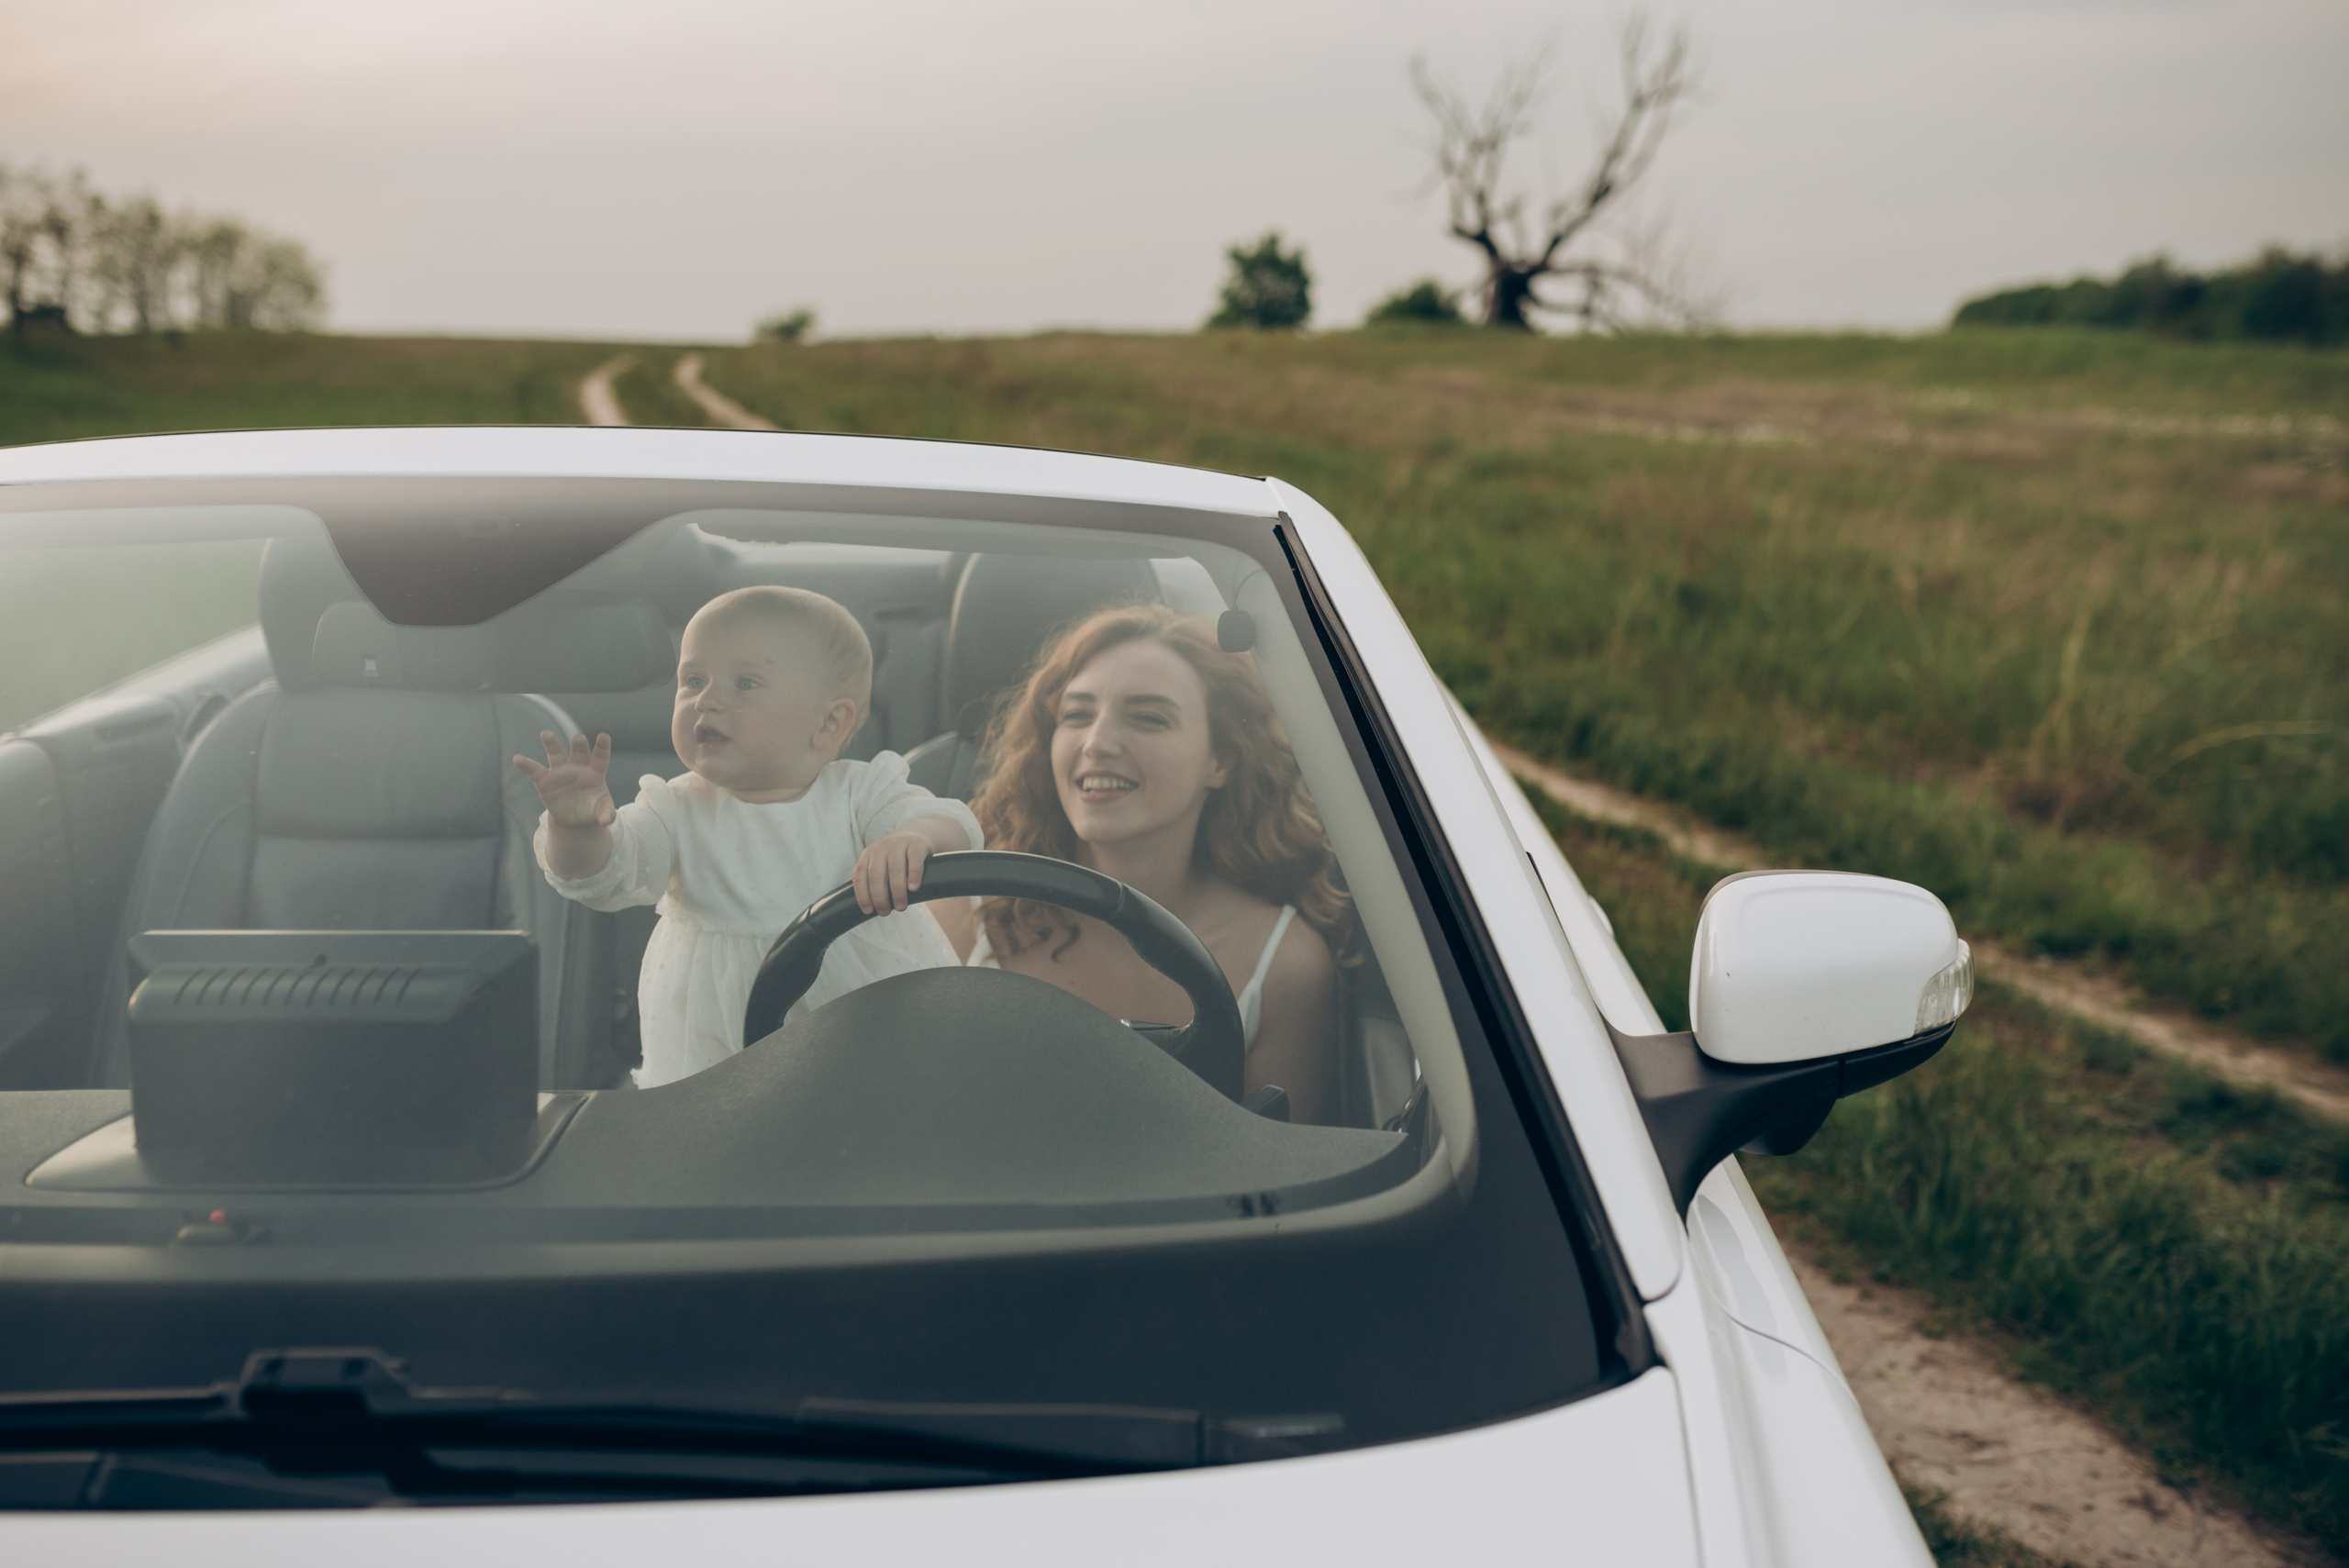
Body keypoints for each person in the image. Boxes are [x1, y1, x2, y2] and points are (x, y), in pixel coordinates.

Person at [518, 585, 980, 1087]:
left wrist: (913, 839)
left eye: (745, 683)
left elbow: (953, 823)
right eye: (692, 679)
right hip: (717, 1042)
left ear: (828, 724)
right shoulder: (673, 808)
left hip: (860, 1022)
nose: (706, 700)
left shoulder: (861, 793)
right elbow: (607, 875)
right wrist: (578, 828)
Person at [934, 605, 1350, 1124]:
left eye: (1148, 718)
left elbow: (1286, 1187)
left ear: (1221, 759)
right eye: (1076, 715)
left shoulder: (1285, 964)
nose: (1097, 743)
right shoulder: (962, 907)